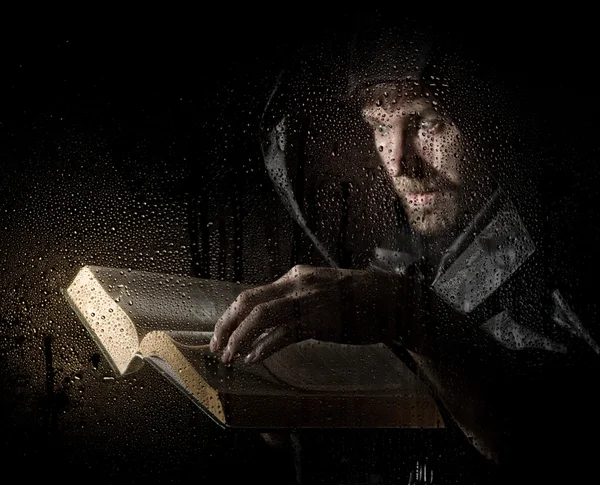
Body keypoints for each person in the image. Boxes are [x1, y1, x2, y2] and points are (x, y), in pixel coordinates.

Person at [210, 19, 600, 484]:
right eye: (379, 125)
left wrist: (407, 314)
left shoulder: (574, 257)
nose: (399, 162)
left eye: (428, 121)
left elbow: (560, 439)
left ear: (493, 117)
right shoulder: (390, 250)